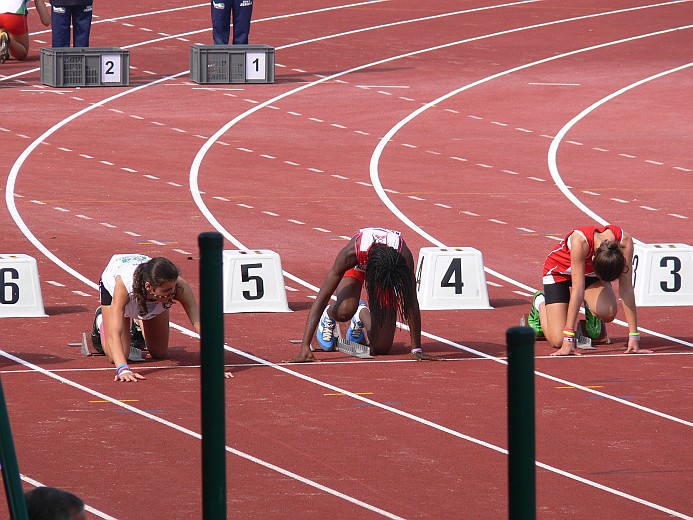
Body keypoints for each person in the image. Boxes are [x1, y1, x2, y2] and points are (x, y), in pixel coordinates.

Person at [289, 227, 437, 363]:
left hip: (386, 272)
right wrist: (305, 347)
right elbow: (323, 296)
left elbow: (411, 302)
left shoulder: (403, 257)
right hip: (358, 264)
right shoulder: (351, 254)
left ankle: (360, 314)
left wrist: (416, 349)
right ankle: (329, 315)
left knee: (381, 347)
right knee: (345, 311)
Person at [91, 254, 232, 381]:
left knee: (159, 353)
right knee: (116, 355)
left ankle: (139, 320)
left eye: (173, 289)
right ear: (148, 286)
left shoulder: (179, 286)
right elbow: (115, 332)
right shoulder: (124, 286)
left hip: (149, 296)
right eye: (166, 290)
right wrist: (123, 369)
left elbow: (201, 324)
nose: (172, 294)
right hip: (115, 290)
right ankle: (101, 321)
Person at [527, 224, 653, 356]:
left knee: (608, 312)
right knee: (557, 340)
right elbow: (577, 290)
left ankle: (592, 309)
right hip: (558, 273)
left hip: (592, 275)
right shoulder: (579, 241)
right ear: (593, 259)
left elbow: (626, 288)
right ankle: (540, 302)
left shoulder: (625, 241)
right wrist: (568, 338)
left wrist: (633, 337)